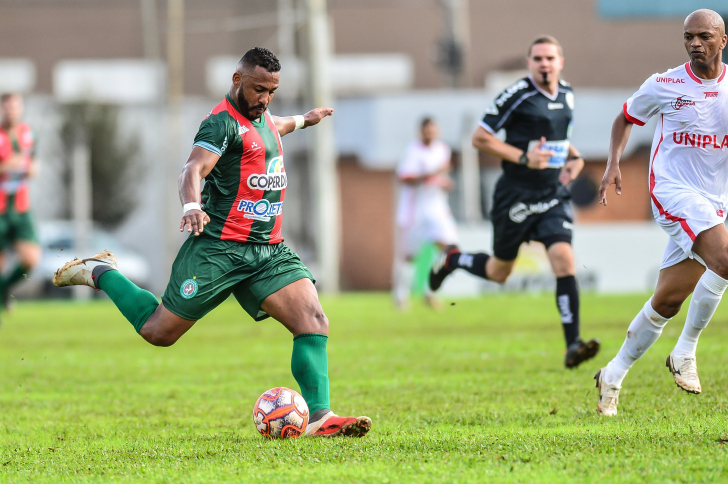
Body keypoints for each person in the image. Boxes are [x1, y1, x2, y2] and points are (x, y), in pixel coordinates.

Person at [53, 47, 372, 437]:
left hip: (268, 251)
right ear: (237, 81)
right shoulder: (219, 124)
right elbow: (193, 168)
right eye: (258, 89)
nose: (264, 99)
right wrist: (191, 204)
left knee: (313, 320)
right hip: (218, 250)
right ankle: (100, 271)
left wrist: (307, 119)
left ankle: (321, 418)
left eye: (271, 91)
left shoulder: (264, 117)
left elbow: (277, 125)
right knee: (158, 332)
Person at [428, 35, 600, 368]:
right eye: (538, 59)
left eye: (550, 58)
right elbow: (480, 138)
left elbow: (560, 140)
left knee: (564, 259)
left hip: (551, 194)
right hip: (515, 195)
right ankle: (452, 260)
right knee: (499, 272)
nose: (544, 64)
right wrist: (523, 157)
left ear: (560, 62)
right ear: (529, 64)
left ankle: (572, 345)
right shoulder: (517, 95)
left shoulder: (567, 94)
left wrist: (575, 157)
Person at [595, 9, 728, 416]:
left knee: (667, 302)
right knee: (725, 260)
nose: (694, 44)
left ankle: (612, 375)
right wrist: (613, 162)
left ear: (723, 39)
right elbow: (626, 116)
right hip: (671, 192)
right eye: (688, 36)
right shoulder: (666, 83)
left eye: (704, 36)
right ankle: (684, 352)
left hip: (713, 203)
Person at [392, 117, 458, 309]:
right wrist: (433, 173)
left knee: (448, 248)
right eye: (426, 131)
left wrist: (445, 183)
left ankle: (431, 291)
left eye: (433, 130)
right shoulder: (413, 151)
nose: (430, 134)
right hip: (415, 210)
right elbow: (405, 177)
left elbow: (441, 177)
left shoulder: (442, 149)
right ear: (420, 132)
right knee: (409, 256)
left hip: (437, 207)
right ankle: (400, 296)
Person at [0, 93, 41, 311]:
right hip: (0, 209)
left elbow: (34, 162)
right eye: (7, 107)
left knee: (31, 258)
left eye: (15, 107)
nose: (11, 111)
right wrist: (6, 167)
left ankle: (4, 288)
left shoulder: (29, 133)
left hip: (21, 207)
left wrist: (32, 168)